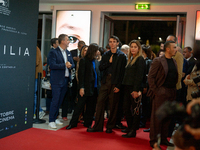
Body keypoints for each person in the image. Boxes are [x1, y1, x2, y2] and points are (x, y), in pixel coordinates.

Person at [87, 35, 127, 133]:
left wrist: (118, 86)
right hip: (105, 82)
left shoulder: (122, 56)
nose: (112, 43)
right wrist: (109, 63)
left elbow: (123, 73)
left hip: (115, 83)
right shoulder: (105, 55)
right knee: (100, 104)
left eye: (114, 41)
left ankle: (110, 126)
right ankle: (97, 126)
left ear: (117, 43)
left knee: (113, 106)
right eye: (110, 41)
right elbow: (101, 68)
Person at [147, 41, 178, 147]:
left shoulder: (174, 61)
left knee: (167, 117)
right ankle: (154, 141)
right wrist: (157, 91)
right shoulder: (158, 60)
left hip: (171, 92)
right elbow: (150, 77)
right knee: (157, 118)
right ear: (168, 49)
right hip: (161, 92)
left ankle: (164, 139)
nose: (176, 49)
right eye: (174, 47)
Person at [66, 43, 101, 129]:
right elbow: (81, 75)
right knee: (79, 106)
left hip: (95, 88)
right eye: (97, 50)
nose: (98, 52)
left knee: (91, 107)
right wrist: (81, 88)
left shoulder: (96, 61)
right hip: (85, 88)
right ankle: (73, 123)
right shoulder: (84, 60)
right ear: (93, 51)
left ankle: (88, 123)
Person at [48, 34, 75, 129]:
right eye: (68, 40)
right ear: (62, 41)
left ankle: (55, 118)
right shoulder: (53, 52)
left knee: (60, 100)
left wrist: (70, 65)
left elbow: (72, 64)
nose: (69, 42)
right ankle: (51, 120)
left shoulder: (68, 52)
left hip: (65, 80)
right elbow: (52, 65)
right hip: (56, 80)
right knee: (55, 100)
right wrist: (64, 65)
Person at [121, 40, 146, 138]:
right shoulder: (131, 58)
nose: (133, 48)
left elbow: (139, 76)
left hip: (134, 88)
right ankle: (130, 127)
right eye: (131, 47)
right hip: (127, 87)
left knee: (135, 110)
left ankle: (133, 130)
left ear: (139, 48)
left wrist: (136, 90)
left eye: (135, 47)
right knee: (126, 108)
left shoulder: (140, 59)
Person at [140, 44, 152, 129]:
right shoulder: (140, 60)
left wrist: (145, 86)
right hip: (139, 85)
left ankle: (142, 121)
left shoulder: (149, 61)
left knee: (144, 104)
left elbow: (148, 76)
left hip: (145, 86)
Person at [45, 38, 59, 114]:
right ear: (54, 44)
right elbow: (50, 64)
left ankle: (50, 109)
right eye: (57, 43)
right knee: (50, 93)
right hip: (51, 74)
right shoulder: (52, 52)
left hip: (52, 75)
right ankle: (49, 109)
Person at [34, 46, 45, 119]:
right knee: (34, 94)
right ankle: (37, 111)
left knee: (34, 94)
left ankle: (39, 111)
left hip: (36, 75)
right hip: (34, 75)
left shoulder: (35, 48)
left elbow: (36, 62)